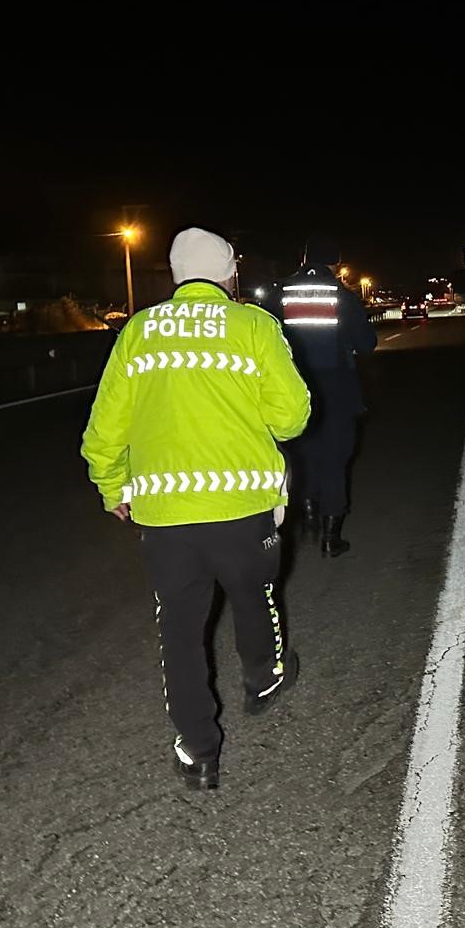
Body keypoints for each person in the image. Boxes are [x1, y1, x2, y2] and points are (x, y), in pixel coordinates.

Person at [81, 228, 311, 790]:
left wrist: (114, 489)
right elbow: (291, 418)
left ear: (174, 273)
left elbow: (104, 431)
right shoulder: (255, 326)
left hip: (165, 519)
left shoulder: (138, 332)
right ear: (230, 273)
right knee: (255, 599)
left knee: (179, 634)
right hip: (244, 509)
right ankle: (264, 677)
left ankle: (198, 750)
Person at [266, 234, 377, 556]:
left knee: (301, 456)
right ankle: (331, 537)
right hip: (337, 391)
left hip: (290, 387)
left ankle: (309, 516)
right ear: (336, 263)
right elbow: (367, 343)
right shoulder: (342, 295)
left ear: (303, 259)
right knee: (335, 459)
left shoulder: (279, 292)